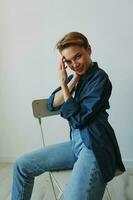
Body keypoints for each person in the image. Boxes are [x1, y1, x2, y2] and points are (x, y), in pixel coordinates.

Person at [11, 32, 125, 200]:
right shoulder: (76, 79)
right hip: (76, 143)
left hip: (95, 145)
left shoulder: (100, 79)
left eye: (77, 57)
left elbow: (78, 119)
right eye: (69, 61)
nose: (74, 64)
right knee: (22, 165)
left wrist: (64, 86)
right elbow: (52, 104)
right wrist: (71, 82)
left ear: (89, 50)